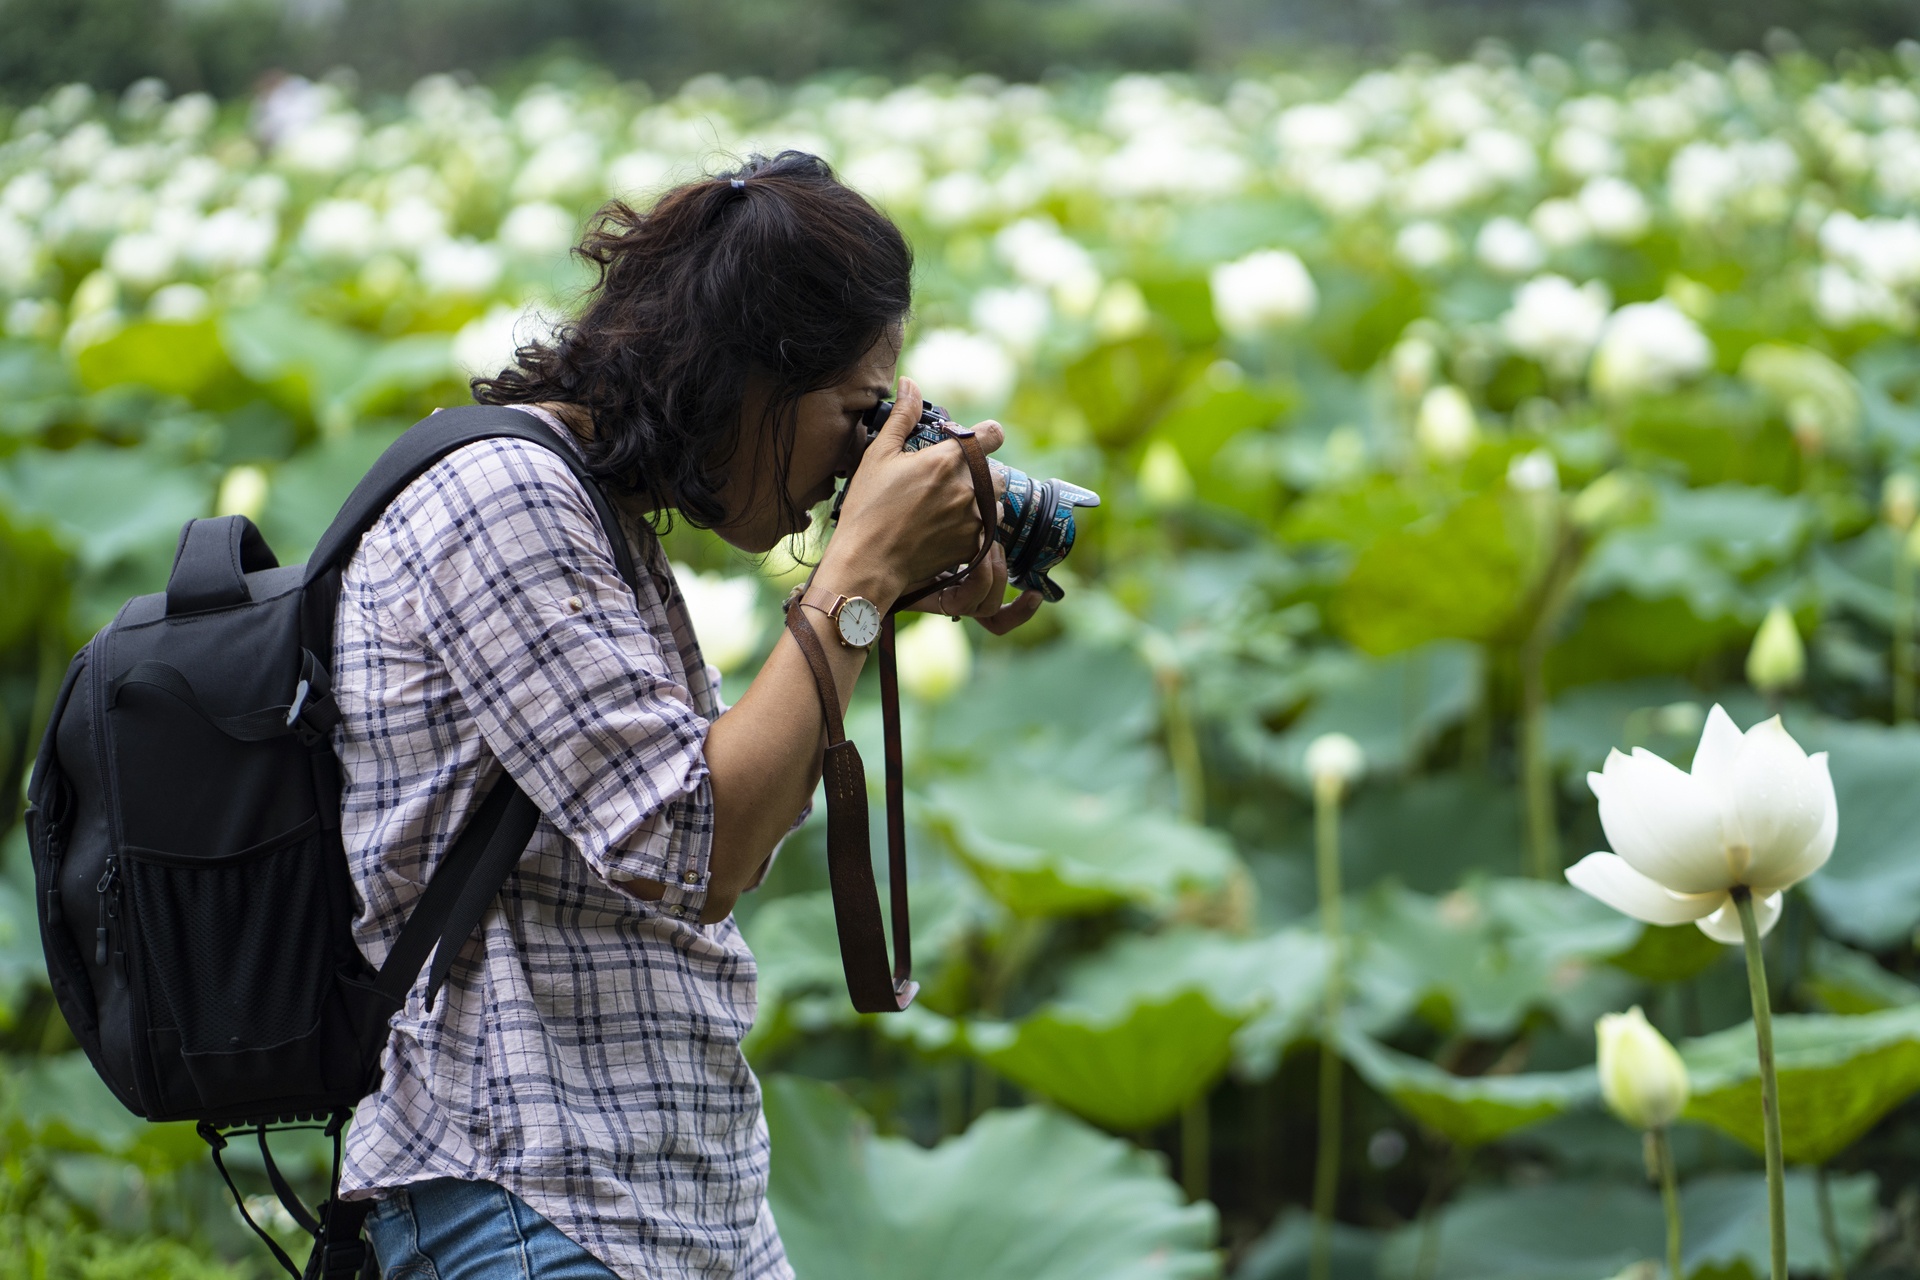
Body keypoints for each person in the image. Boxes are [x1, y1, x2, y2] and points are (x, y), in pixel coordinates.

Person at [333, 150, 1041, 1280]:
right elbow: (696, 843)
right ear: (752, 377)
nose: (860, 462)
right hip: (532, 1192)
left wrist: (878, 600)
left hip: (666, 1200)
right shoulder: (504, 497)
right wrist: (851, 579)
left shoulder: (606, 522)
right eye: (860, 413)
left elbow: (729, 819)